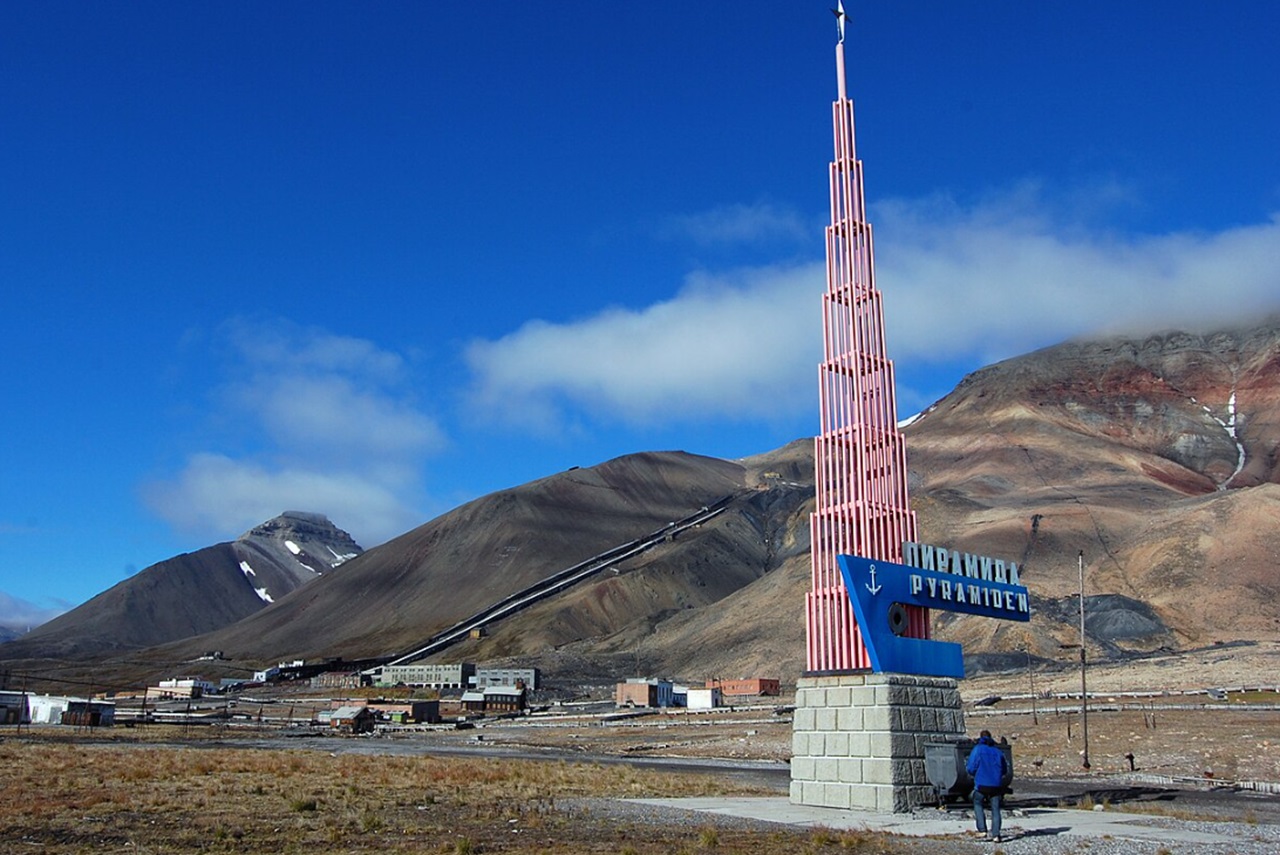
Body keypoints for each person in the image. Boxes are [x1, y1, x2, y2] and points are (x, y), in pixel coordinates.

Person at [966, 729, 1009, 841]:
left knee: (977, 803)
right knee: (995, 809)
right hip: (996, 786)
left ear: (981, 737)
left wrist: (974, 774)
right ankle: (996, 834)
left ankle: (982, 830)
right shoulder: (998, 751)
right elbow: (1004, 769)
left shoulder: (978, 749)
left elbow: (971, 767)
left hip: (981, 785)